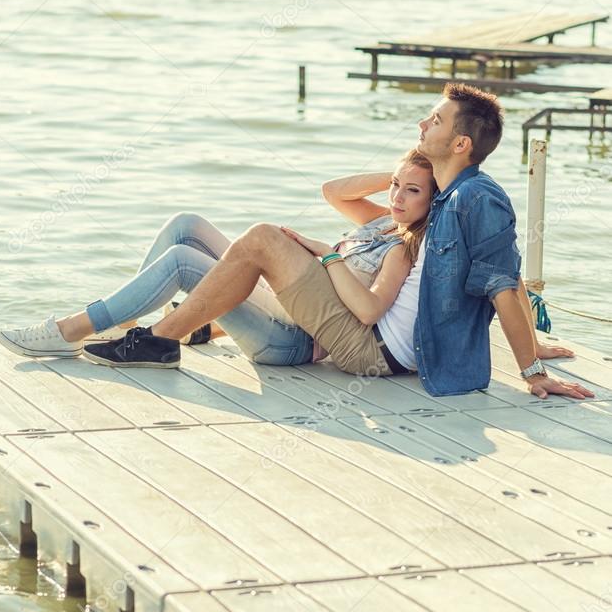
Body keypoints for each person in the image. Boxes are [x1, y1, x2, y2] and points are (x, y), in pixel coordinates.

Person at [63, 83, 588, 400]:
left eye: (436, 119)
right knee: (214, 232)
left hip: (375, 349)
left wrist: (531, 370)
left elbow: (501, 282)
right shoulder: (448, 197)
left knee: (264, 238)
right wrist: (406, 175)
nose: (423, 122)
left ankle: (157, 338)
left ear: (460, 142)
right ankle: (151, 330)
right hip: (370, 335)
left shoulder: (477, 199)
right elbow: (506, 277)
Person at [0, 149, 437, 376]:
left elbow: (367, 310)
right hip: (277, 308)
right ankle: (121, 325)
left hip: (291, 341)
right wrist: (406, 167)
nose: (396, 197)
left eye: (412, 191)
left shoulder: (403, 248)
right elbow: (332, 190)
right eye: (395, 187)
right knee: (185, 225)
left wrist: (324, 254)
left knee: (185, 261)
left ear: (433, 199)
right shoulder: (381, 223)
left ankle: (72, 331)